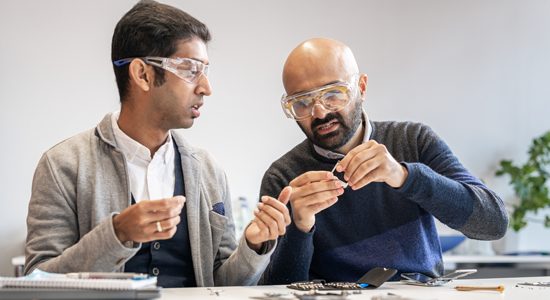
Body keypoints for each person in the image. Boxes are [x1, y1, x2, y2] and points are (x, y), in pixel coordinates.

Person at [24, 0, 291, 288]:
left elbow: (219, 285)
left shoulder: (209, 172)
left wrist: (253, 246)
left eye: (205, 70)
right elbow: (37, 282)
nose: (206, 88)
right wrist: (116, 234)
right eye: (191, 70)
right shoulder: (63, 165)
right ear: (143, 74)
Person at [259, 38, 509, 284]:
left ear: (362, 88)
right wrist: (300, 229)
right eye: (302, 102)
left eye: (334, 94)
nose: (320, 112)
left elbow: (494, 224)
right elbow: (277, 289)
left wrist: (405, 177)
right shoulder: (283, 177)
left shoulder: (413, 140)